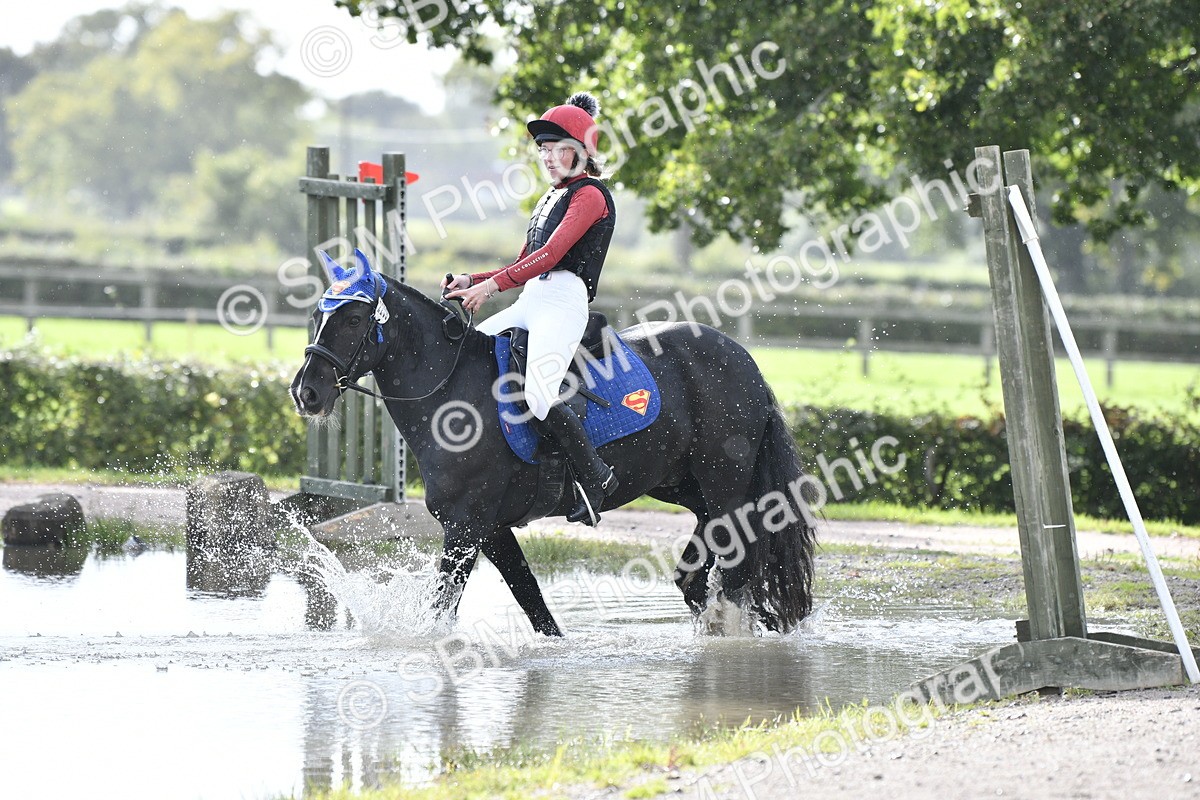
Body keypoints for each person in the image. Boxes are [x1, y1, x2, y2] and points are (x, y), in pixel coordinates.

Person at [443, 92, 618, 526]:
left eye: (558, 149)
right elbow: (524, 262)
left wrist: (489, 289)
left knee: (540, 395)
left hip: (563, 302)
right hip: (533, 298)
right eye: (543, 150)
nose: (548, 158)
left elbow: (553, 254)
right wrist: (473, 279)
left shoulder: (590, 195)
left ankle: (596, 480)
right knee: (470, 352)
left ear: (580, 152)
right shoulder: (549, 199)